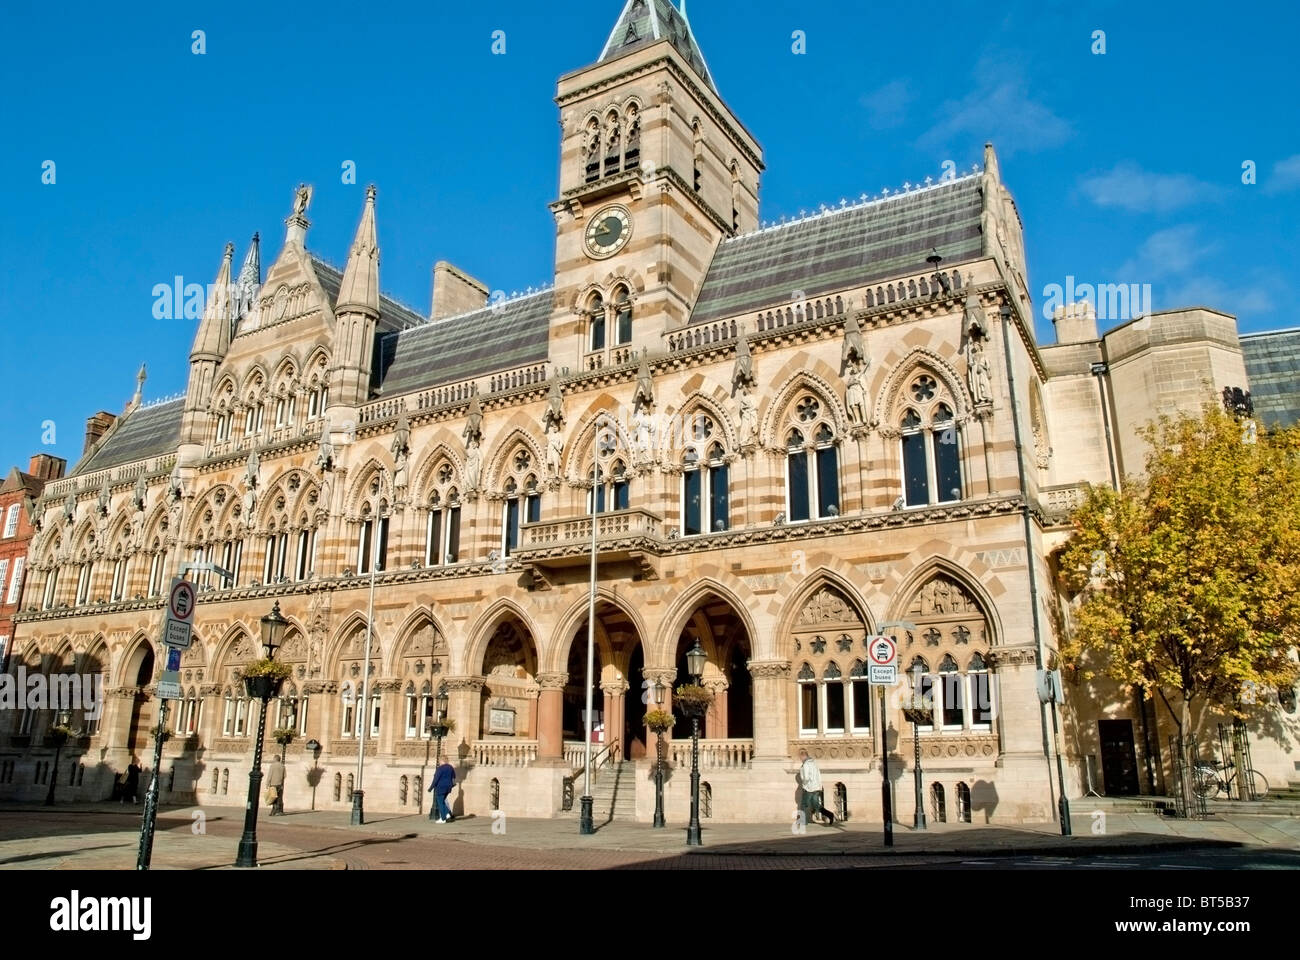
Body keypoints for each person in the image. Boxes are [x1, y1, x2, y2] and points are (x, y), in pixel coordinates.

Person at [797, 749, 834, 825]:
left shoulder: (806, 765)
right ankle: (830, 814)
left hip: (809, 788)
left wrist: (804, 783)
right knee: (816, 805)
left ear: (803, 756)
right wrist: (819, 786)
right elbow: (818, 775)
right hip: (816, 787)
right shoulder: (814, 763)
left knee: (804, 804)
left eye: (800, 757)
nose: (800, 759)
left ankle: (803, 821)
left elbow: (806, 778)